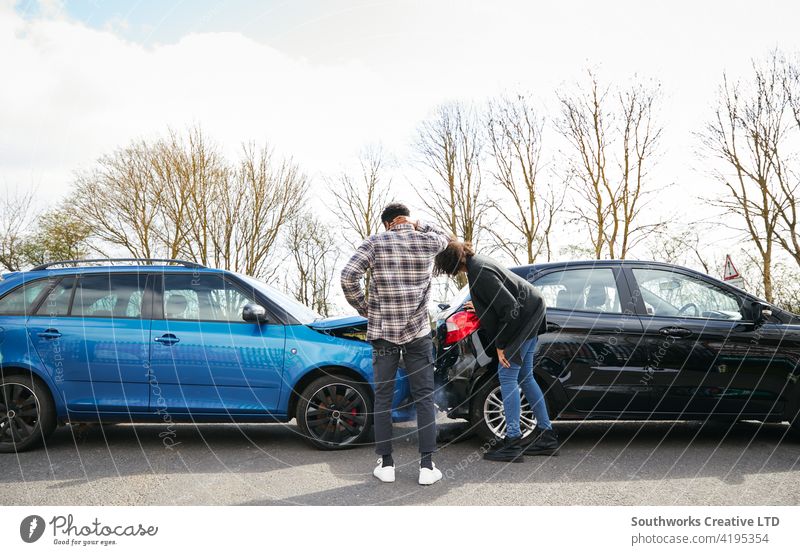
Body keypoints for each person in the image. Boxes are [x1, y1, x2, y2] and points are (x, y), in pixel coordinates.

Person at [341, 203, 449, 485]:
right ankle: (427, 466)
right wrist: (420, 225)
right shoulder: (426, 240)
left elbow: (348, 276)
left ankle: (386, 464)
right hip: (417, 332)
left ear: (387, 223)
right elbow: (446, 239)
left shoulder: (375, 242)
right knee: (425, 396)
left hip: (383, 331)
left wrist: (365, 308)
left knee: (384, 397)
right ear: (407, 220)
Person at [433, 240, 559, 462]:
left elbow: (510, 308)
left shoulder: (479, 271)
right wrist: (481, 306)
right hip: (531, 311)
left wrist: (502, 345)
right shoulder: (478, 264)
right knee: (525, 376)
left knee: (507, 376)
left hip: (522, 318)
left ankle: (513, 442)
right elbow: (499, 299)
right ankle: (547, 436)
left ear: (451, 263)